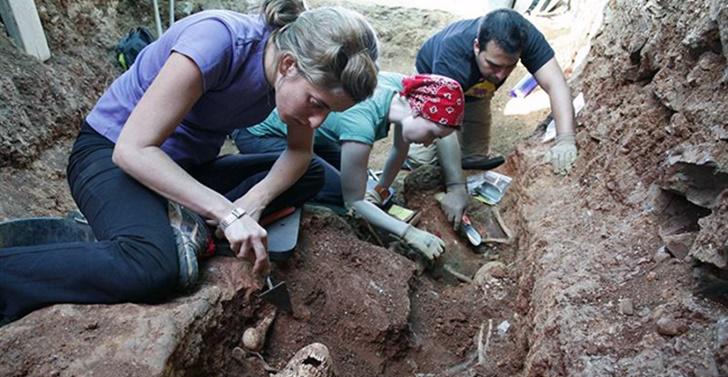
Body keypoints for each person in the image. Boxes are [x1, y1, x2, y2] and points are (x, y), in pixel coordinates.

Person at [0, 0, 379, 324]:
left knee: (311, 173)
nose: (317, 121)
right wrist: (227, 214)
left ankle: (169, 219)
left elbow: (299, 153)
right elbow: (132, 149)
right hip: (111, 155)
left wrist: (251, 203)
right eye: (316, 104)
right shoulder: (218, 40)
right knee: (151, 267)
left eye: (329, 112)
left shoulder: (292, 76)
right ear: (288, 65)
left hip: (182, 169)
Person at [234, 73, 465, 260]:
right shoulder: (361, 124)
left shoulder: (405, 92)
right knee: (336, 191)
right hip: (260, 133)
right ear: (418, 110)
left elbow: (399, 150)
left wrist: (381, 190)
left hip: (309, 135)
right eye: (432, 134)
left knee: (357, 177)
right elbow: (354, 200)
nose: (427, 143)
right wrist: (409, 233)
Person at [412, 8, 577, 228]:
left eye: (510, 66)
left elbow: (555, 83)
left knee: (473, 159)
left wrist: (566, 138)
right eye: (494, 65)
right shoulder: (451, 55)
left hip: (478, 90)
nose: (502, 75)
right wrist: (455, 187)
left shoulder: (523, 35)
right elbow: (443, 123)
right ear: (477, 45)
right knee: (421, 161)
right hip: (436, 85)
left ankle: (463, 161)